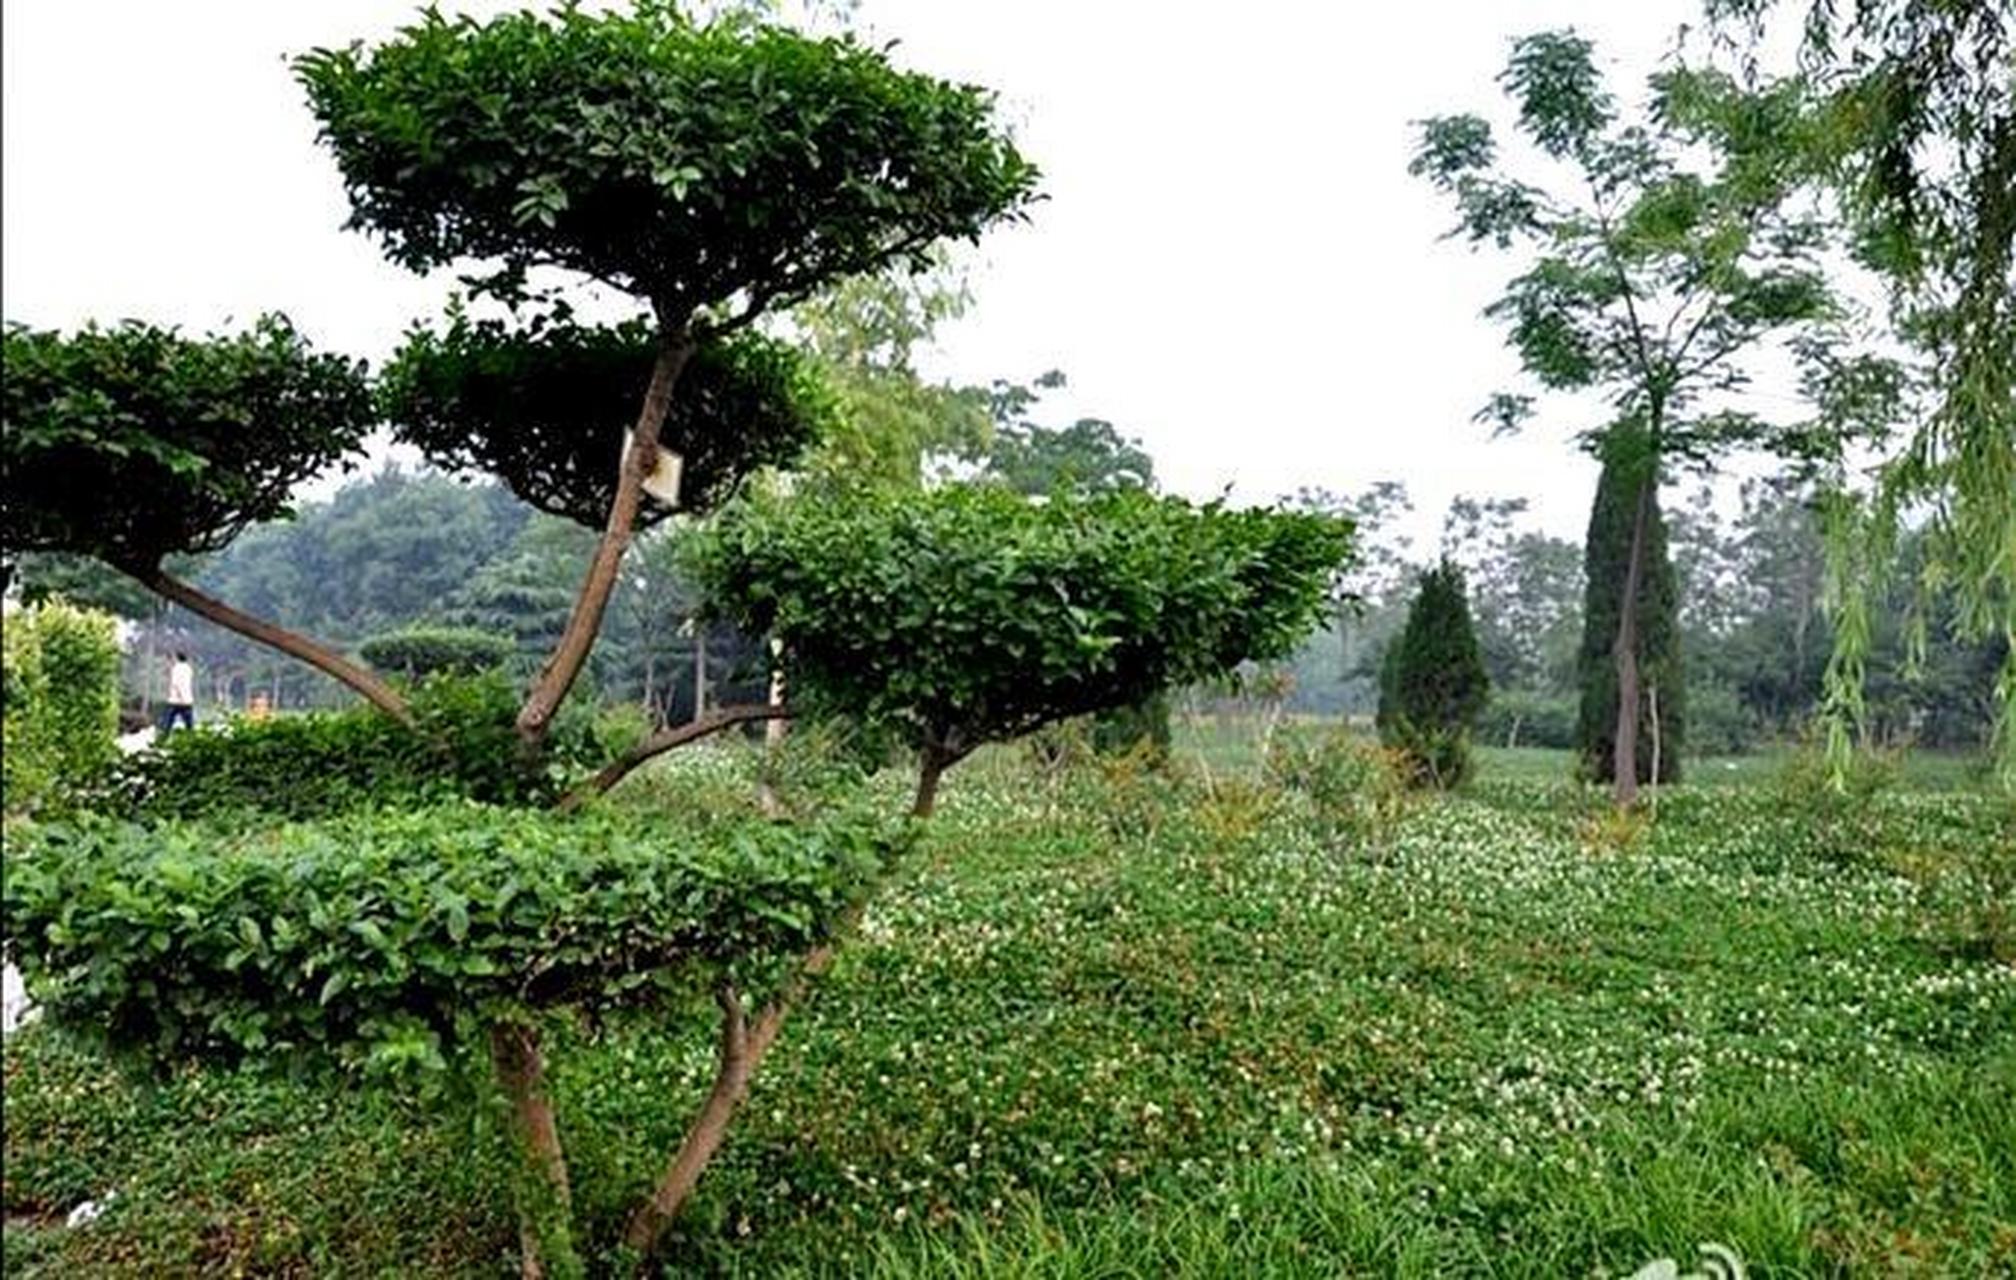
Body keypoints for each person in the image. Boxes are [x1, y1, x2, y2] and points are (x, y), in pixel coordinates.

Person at [161, 651, 196, 734]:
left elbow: (178, 684)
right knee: (189, 726)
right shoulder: (188, 669)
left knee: (167, 725)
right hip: (187, 701)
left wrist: (182, 697)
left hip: (176, 701)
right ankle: (192, 742)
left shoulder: (177, 669)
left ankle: (162, 741)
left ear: (176, 658)